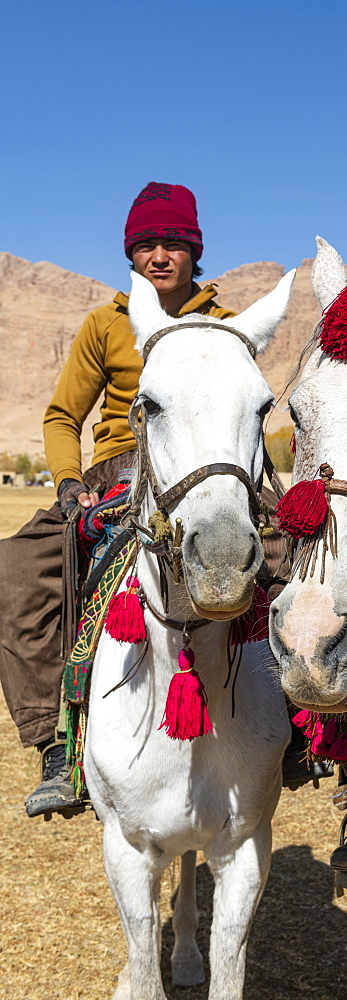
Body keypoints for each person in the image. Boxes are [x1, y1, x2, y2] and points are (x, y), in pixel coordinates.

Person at [0, 182, 237, 818]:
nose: (159, 256)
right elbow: (59, 415)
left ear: (194, 251)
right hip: (114, 476)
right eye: (146, 246)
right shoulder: (105, 323)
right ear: (131, 255)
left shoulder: (220, 325)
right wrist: (70, 483)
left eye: (173, 244)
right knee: (16, 570)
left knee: (281, 558)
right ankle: (54, 740)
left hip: (199, 474)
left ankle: (294, 731)